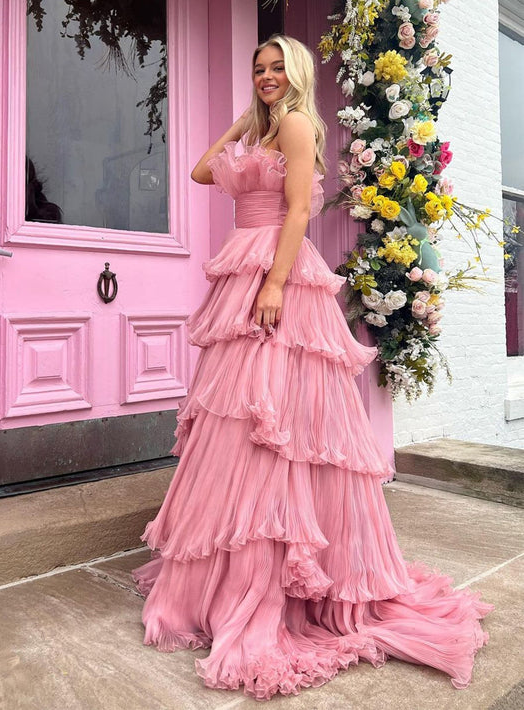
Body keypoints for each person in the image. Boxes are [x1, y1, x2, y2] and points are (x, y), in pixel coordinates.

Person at [132, 34, 494, 701]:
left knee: (278, 413)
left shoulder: (297, 124)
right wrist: (245, 117)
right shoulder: (260, 129)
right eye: (258, 70)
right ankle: (233, 568)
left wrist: (273, 285)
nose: (267, 77)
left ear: (296, 75)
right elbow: (201, 173)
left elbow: (298, 209)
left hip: (275, 274)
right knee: (241, 415)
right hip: (241, 270)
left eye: (277, 69)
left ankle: (282, 568)